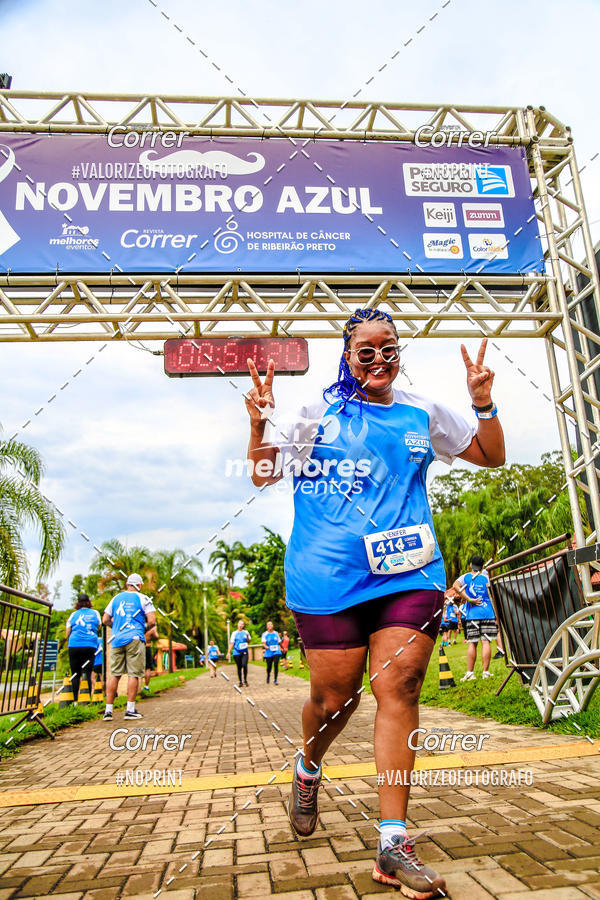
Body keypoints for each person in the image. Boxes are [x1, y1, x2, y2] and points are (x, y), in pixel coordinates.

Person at [244, 307, 504, 898]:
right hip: (329, 576)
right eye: (366, 350)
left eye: (389, 348)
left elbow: (491, 456)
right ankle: (309, 765)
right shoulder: (314, 412)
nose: (379, 358)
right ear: (347, 354)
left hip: (409, 572)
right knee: (335, 698)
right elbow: (262, 476)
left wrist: (483, 403)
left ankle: (393, 842)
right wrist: (259, 426)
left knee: (402, 684)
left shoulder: (421, 411)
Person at [102, 573, 156, 721]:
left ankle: (108, 711)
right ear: (139, 586)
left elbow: (105, 619)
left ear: (127, 585)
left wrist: (116, 628)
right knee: (133, 673)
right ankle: (130, 710)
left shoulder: (115, 599)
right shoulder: (143, 598)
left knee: (115, 674)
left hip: (117, 639)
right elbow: (152, 621)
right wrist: (141, 628)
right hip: (134, 638)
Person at [453, 555, 498, 681]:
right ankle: (485, 672)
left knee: (472, 643)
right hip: (488, 613)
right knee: (486, 642)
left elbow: (455, 585)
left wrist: (468, 599)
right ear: (483, 566)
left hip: (472, 614)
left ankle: (470, 673)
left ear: (470, 565)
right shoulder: (486, 577)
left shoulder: (466, 577)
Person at [66, 594, 101, 702]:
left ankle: (75, 700)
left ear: (78, 603)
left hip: (74, 645)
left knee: (75, 673)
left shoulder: (73, 615)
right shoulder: (95, 613)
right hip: (89, 646)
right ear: (89, 602)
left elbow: (68, 632)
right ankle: (87, 699)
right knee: (87, 672)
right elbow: (98, 626)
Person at [227, 619, 250, 687]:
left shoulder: (246, 632)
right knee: (239, 667)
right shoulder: (234, 633)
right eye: (239, 624)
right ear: (237, 624)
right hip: (236, 652)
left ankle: (245, 680)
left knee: (244, 665)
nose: (240, 625)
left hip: (244, 651)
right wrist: (228, 652)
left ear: (243, 626)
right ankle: (240, 681)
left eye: (242, 624)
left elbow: (248, 641)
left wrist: (247, 636)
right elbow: (231, 643)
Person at [143, 624, 159, 693]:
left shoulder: (139, 624)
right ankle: (146, 686)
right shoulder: (151, 628)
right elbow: (156, 636)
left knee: (138, 668)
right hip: (147, 646)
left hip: (138, 646)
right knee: (147, 668)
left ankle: (138, 687)